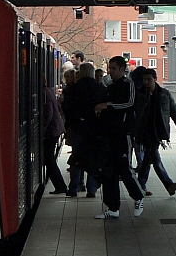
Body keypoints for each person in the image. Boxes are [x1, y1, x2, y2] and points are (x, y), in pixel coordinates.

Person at [92, 56, 145, 219]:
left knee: (124, 168)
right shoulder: (110, 86)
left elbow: (129, 103)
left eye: (114, 68)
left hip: (123, 133)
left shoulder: (128, 84)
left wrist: (108, 105)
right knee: (109, 171)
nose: (111, 72)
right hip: (109, 134)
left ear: (122, 69)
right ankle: (112, 207)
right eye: (110, 68)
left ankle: (138, 196)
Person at [134, 68, 176, 195]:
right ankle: (168, 184)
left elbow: (174, 110)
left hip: (157, 131)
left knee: (148, 159)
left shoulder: (164, 94)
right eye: (144, 79)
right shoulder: (139, 94)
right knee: (154, 158)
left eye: (149, 79)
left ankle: (140, 185)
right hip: (144, 131)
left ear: (155, 79)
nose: (146, 82)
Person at [68, 61, 104, 198]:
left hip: (78, 128)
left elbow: (68, 109)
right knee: (93, 158)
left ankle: (74, 187)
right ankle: (91, 189)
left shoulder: (74, 89)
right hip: (95, 129)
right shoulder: (99, 88)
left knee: (77, 157)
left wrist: (71, 126)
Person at [42, 74, 68, 194]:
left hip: (51, 131)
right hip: (55, 129)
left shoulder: (44, 93)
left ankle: (60, 185)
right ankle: (59, 185)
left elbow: (48, 113)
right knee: (49, 159)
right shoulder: (49, 91)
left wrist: (43, 129)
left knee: (49, 159)